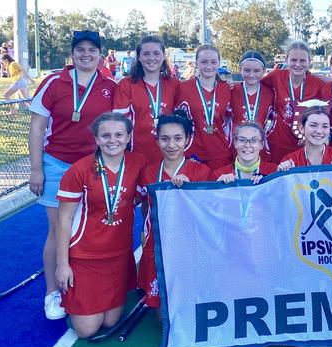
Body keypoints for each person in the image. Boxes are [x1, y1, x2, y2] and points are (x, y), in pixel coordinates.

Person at [28, 30, 117, 320]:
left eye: (92, 49)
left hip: (93, 165)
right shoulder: (54, 82)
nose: (86, 54)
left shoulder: (110, 85)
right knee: (58, 231)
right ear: (73, 53)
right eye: (81, 49)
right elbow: (37, 128)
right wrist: (36, 169)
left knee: (90, 227)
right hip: (56, 164)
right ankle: (52, 293)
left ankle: (83, 284)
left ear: (100, 54)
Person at [55, 113, 147, 338]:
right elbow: (64, 219)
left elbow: (146, 192)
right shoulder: (80, 169)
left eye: (118, 134)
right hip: (85, 255)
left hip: (118, 254)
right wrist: (62, 265)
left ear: (128, 137)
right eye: (105, 135)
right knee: (87, 331)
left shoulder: (138, 162)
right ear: (96, 139)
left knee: (110, 322)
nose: (112, 140)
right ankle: (72, 305)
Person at [138, 110, 212, 310]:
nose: (171, 145)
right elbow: (144, 204)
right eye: (165, 139)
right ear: (157, 140)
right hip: (158, 243)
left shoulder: (201, 171)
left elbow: (207, 213)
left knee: (188, 307)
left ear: (188, 139)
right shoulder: (148, 172)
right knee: (163, 315)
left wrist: (189, 192)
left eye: (178, 138)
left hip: (190, 245)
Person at [113, 35, 179, 163]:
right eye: (146, 54)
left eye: (156, 53)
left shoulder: (174, 84)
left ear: (164, 56)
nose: (151, 58)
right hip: (135, 157)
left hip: (168, 157)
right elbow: (119, 124)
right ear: (138, 57)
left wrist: (219, 81)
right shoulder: (126, 85)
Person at [262, 40, 326, 163]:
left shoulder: (317, 84)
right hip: (277, 142)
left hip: (305, 145)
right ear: (286, 60)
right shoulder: (276, 76)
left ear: (309, 61)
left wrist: (314, 74)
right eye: (293, 60)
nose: (298, 64)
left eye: (302, 61)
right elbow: (253, 82)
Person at [175, 45, 232, 170]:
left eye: (213, 62)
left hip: (220, 152)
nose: (209, 66)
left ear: (219, 63)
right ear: (196, 63)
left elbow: (230, 121)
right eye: (204, 62)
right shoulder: (182, 88)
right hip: (192, 153)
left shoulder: (228, 89)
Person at [229, 51, 274, 161]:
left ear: (264, 71)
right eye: (247, 70)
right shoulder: (231, 90)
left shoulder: (270, 92)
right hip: (237, 145)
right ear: (240, 69)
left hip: (259, 145)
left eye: (256, 71)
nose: (251, 74)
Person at [277, 105, 332, 170]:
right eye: (313, 125)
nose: (319, 131)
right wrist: (284, 173)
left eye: (325, 126)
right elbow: (284, 185)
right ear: (301, 128)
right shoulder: (290, 160)